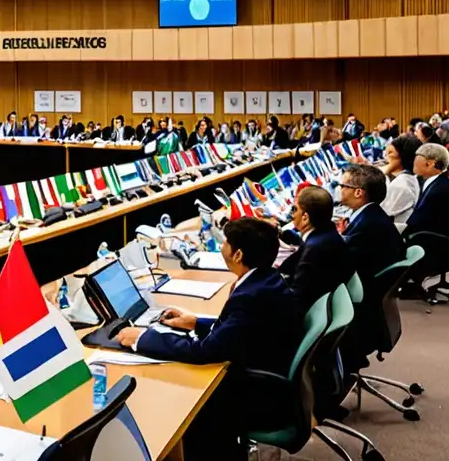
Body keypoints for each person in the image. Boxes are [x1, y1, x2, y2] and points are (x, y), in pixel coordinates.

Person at [117, 217, 303, 461]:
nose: (222, 246)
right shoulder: (268, 279)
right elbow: (240, 330)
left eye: (226, 242)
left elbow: (204, 352)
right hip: (268, 373)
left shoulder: (250, 296)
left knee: (176, 401)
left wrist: (142, 338)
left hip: (257, 394)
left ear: (237, 254)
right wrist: (196, 322)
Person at [278, 185, 354, 310]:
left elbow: (296, 296)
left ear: (305, 217)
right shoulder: (327, 231)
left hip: (308, 309)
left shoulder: (313, 250)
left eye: (294, 209)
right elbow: (303, 243)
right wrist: (280, 232)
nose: (291, 214)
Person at [338, 164, 404, 284]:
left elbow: (342, 259)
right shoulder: (372, 213)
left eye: (343, 186)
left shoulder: (366, 225)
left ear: (358, 193)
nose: (339, 189)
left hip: (367, 285)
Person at [405, 142, 449, 240]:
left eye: (417, 157)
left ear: (430, 163)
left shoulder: (442, 190)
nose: (414, 161)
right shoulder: (435, 184)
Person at [379, 133, 421, 231]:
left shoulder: (400, 185)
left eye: (390, 153)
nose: (386, 158)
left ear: (403, 156)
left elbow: (378, 214)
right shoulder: (410, 178)